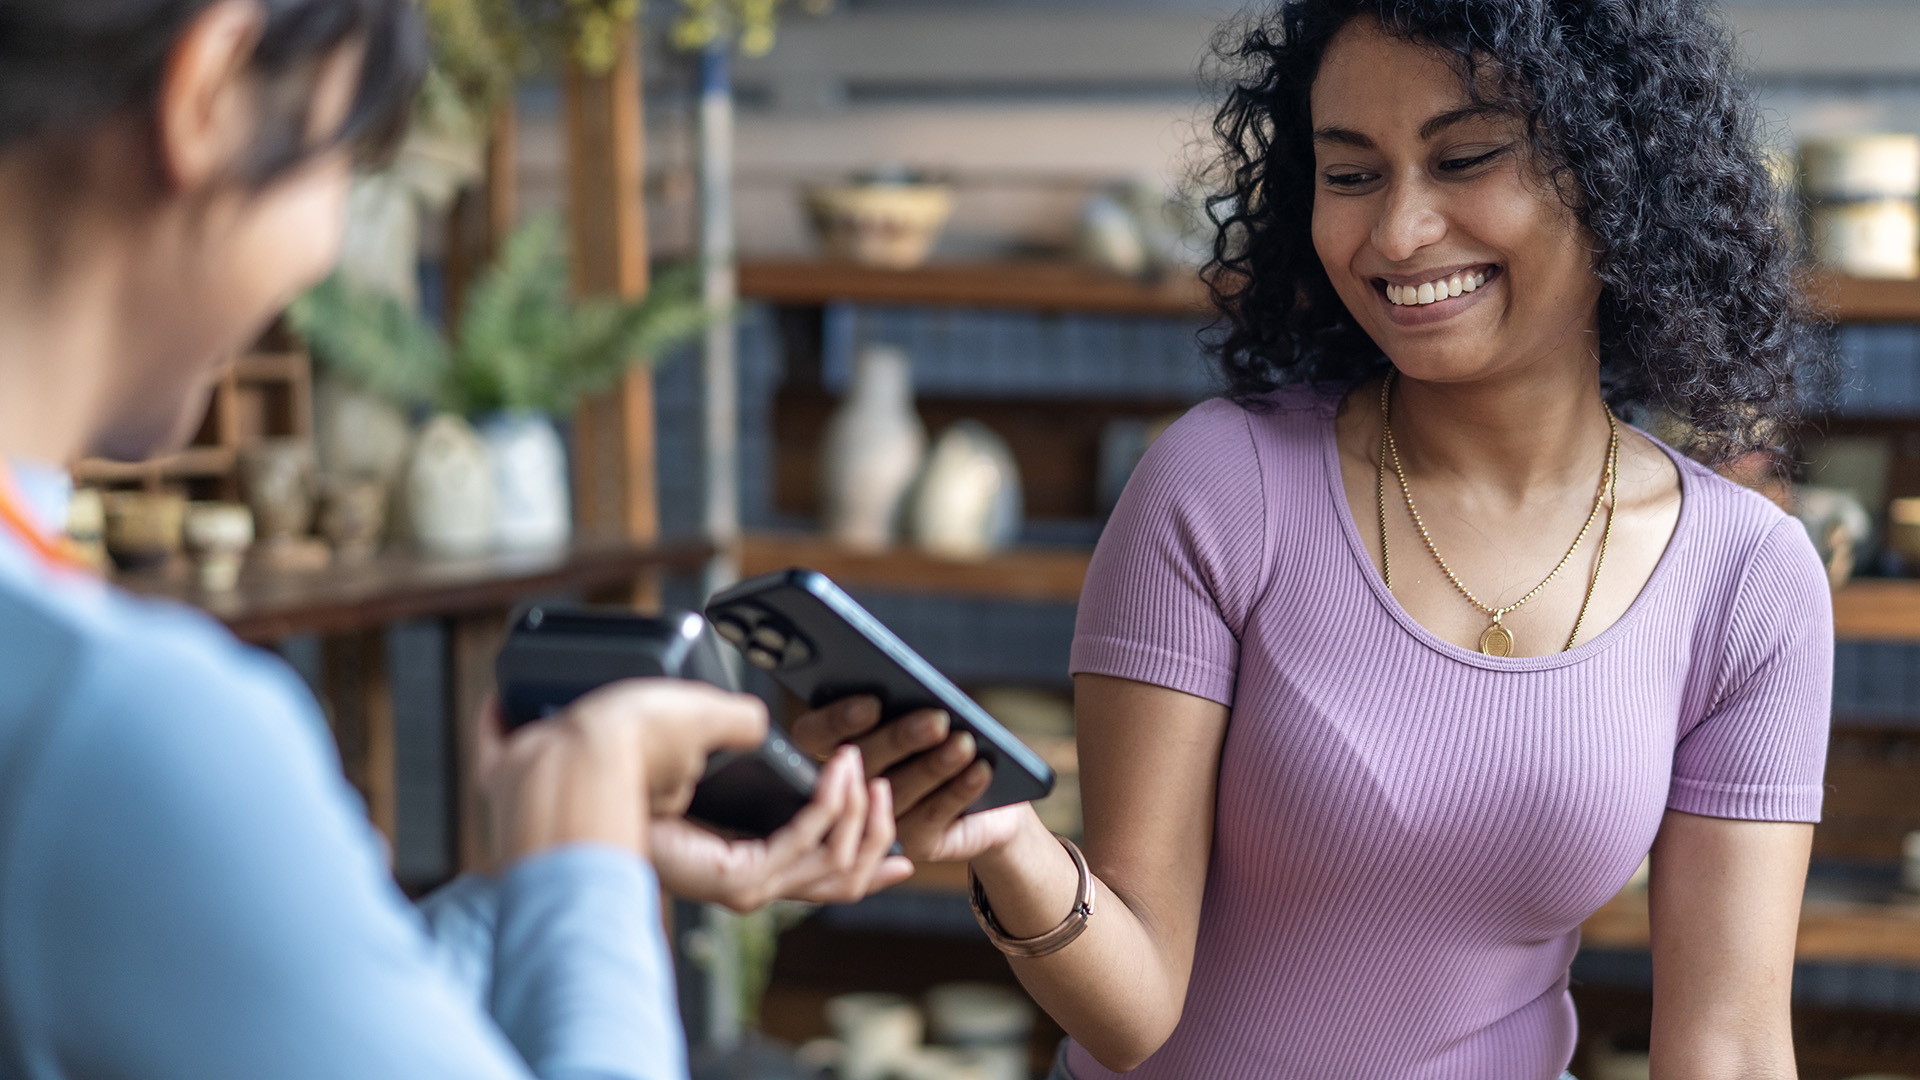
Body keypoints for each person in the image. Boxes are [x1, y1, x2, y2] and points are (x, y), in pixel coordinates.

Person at [793, 1, 1832, 1078]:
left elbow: (1733, 1046)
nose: (1397, 232)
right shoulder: (1218, 486)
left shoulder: (1745, 580)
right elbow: (1131, 1009)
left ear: (1620, 179)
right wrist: (1004, 839)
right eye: (1352, 175)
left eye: (1465, 158)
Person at [0, 2, 909, 1078]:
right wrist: (583, 870)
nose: (332, 247)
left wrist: (558, 872)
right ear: (211, 92)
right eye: (349, 158)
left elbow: (292, 1021)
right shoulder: (124, 721)